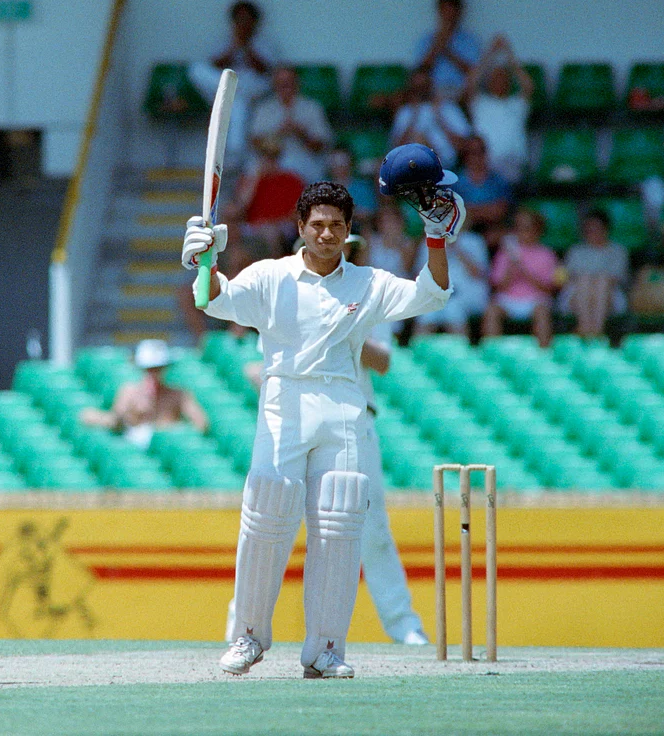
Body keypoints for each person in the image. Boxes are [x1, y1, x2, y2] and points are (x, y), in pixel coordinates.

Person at [183, 147, 462, 679]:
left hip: (342, 404)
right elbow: (213, 301)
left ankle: (326, 648)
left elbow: (433, 295)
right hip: (284, 400)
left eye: (336, 225)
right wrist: (204, 260)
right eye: (317, 225)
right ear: (300, 227)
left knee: (339, 526)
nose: (327, 234)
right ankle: (248, 637)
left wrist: (435, 238)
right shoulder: (270, 277)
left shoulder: (368, 282)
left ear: (349, 228)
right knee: (265, 516)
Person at [342, 234, 431, 645]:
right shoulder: (290, 291)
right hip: (301, 420)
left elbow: (383, 361)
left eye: (351, 249)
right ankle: (244, 627)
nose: (344, 254)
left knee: (372, 527)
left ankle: (403, 624)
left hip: (356, 419)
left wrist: (347, 329)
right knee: (278, 525)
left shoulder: (370, 298)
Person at [189, 0, 280, 171]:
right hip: (230, 87)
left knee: (237, 98)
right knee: (197, 70)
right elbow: (214, 65)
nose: (243, 23)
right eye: (239, 19)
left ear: (254, 21)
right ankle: (234, 156)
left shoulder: (264, 42)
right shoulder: (226, 40)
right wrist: (234, 46)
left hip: (253, 86)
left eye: (246, 19)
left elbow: (264, 70)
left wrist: (247, 47)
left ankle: (229, 92)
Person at [79, 339, 208, 449]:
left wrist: (171, 429)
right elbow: (116, 420)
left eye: (157, 369)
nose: (153, 374)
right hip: (134, 448)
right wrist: (132, 414)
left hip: (167, 449)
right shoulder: (129, 392)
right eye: (149, 369)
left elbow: (201, 423)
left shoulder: (178, 394)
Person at [482, 207, 560, 349]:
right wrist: (511, 267)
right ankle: (492, 351)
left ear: (537, 230)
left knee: (542, 312)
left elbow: (549, 289)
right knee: (491, 311)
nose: (522, 232)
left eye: (527, 228)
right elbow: (498, 287)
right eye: (518, 228)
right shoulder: (505, 253)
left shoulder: (547, 254)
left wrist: (524, 271)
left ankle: (544, 353)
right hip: (508, 298)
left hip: (536, 299)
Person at [464, 35, 534, 182]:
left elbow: (528, 86)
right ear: (489, 82)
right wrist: (490, 53)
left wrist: (509, 54)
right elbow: (470, 82)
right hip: (483, 164)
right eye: (495, 78)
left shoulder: (517, 104)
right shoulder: (481, 103)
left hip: (511, 163)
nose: (499, 81)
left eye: (503, 77)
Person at [249, 65, 333, 184]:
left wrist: (301, 134)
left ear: (297, 83)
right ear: (274, 84)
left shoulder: (312, 107)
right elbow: (255, 142)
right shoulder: (264, 108)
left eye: (288, 82)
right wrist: (278, 133)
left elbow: (321, 146)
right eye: (281, 83)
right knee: (251, 170)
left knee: (295, 166)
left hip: (304, 158)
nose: (285, 86)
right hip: (271, 159)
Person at [413, 216, 490, 338]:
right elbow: (421, 276)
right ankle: (420, 348)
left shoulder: (474, 241)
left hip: (468, 294)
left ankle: (461, 348)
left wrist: (457, 248)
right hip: (438, 293)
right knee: (427, 312)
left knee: (453, 309)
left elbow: (479, 274)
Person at [558, 209, 630, 339]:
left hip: (610, 295)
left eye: (597, 228)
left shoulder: (618, 251)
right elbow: (566, 277)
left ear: (606, 229)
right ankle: (591, 330)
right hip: (577, 294)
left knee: (602, 282)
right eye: (589, 229)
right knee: (584, 281)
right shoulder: (575, 250)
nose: (593, 232)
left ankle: (593, 329)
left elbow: (616, 278)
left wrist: (595, 284)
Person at [233, 137, 306, 258]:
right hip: (253, 226)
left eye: (272, 156)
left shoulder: (292, 180)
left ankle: (274, 268)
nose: (268, 160)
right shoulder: (250, 179)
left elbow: (298, 214)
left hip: (282, 227)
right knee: (231, 232)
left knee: (270, 232)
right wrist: (255, 179)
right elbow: (240, 208)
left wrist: (273, 223)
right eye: (265, 155)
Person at [390, 67, 471, 169]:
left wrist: (440, 118)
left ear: (430, 85)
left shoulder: (448, 107)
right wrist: (413, 118)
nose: (420, 91)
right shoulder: (405, 112)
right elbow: (396, 149)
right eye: (417, 88)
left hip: (445, 163)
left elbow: (463, 145)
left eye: (423, 86)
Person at [414, 0, 481, 100]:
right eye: (445, 10)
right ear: (439, 12)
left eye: (452, 10)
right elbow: (420, 72)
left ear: (458, 13)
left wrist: (448, 52)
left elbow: (474, 72)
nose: (448, 15)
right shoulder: (427, 40)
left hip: (460, 92)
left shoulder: (469, 41)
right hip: (433, 92)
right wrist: (436, 47)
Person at [450, 136, 514, 245]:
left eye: (480, 152)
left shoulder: (498, 181)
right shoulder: (455, 182)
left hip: (492, 230)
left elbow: (499, 211)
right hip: (464, 231)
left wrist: (470, 210)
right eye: (471, 153)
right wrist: (486, 210)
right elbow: (455, 213)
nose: (476, 157)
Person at [328, 148, 378, 228]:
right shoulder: (323, 188)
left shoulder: (363, 187)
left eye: (343, 162)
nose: (340, 167)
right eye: (336, 163)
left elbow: (369, 214)